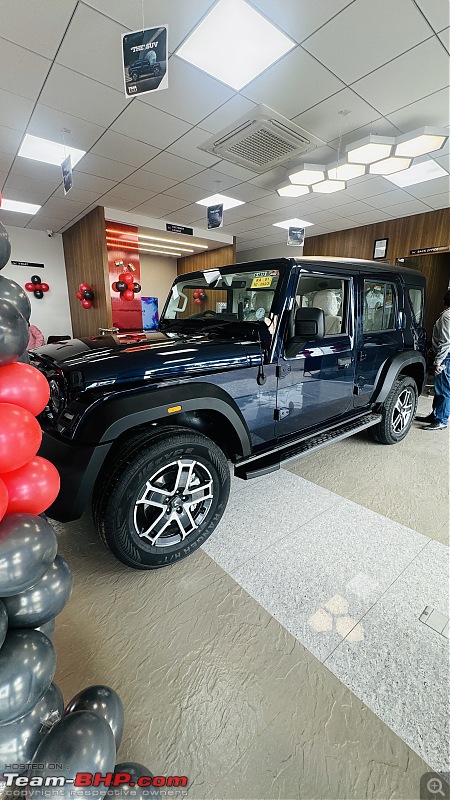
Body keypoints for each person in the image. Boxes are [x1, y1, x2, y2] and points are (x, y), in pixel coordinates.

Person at [417, 289, 450, 430]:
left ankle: (441, 420)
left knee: (443, 389)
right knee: (440, 388)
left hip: (446, 358)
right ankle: (435, 415)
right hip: (446, 356)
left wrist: (438, 361)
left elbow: (446, 341)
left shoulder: (447, 316)